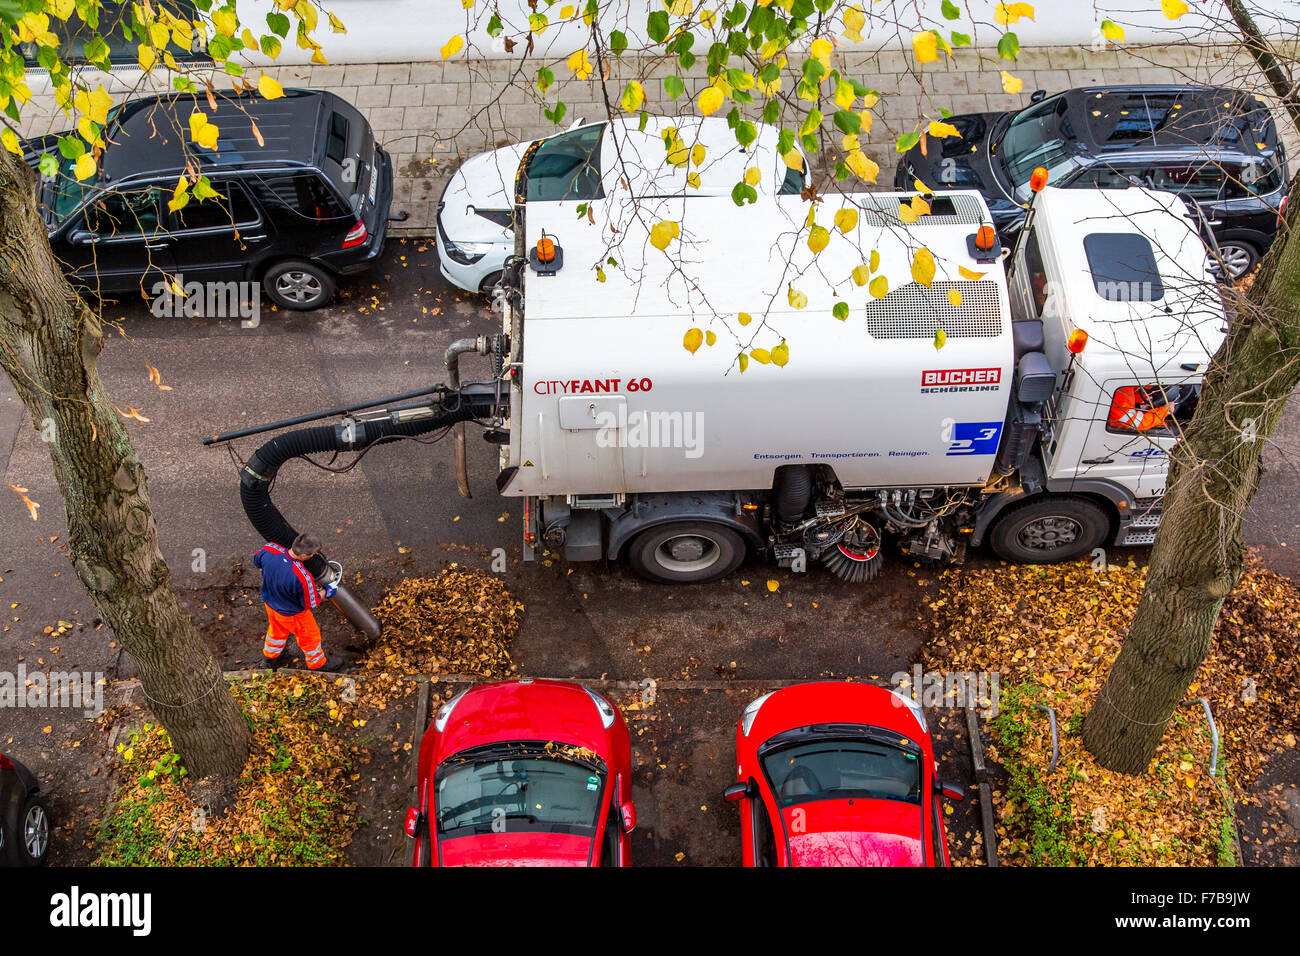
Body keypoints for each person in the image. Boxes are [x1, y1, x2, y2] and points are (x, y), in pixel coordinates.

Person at [254, 533, 340, 672]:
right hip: (293, 614)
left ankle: (269, 658)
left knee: (276, 630)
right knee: (310, 636)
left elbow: (257, 561)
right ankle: (318, 664)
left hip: (271, 605)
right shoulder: (302, 577)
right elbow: (312, 602)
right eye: (312, 554)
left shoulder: (270, 549)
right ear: (304, 556)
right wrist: (327, 591)